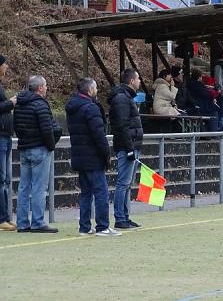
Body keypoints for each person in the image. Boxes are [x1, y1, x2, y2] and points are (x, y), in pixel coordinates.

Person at [65, 78, 121, 237]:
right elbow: (99, 135)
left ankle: (84, 226)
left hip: (79, 156)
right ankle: (102, 226)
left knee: (86, 193)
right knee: (101, 192)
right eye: (95, 88)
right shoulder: (91, 108)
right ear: (90, 90)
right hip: (93, 156)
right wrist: (106, 154)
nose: (97, 91)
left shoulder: (73, 108)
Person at [14, 75, 61, 233]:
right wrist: (51, 146)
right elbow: (47, 129)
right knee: (39, 187)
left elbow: (16, 126)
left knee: (24, 187)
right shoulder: (40, 104)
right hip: (39, 148)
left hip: (24, 148)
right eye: (46, 85)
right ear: (40, 88)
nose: (47, 88)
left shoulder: (20, 104)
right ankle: (38, 222)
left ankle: (21, 223)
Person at [108, 68, 143, 229]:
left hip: (131, 144)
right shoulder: (122, 98)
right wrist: (129, 148)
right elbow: (122, 126)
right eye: (138, 79)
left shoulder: (126, 97)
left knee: (127, 183)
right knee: (123, 183)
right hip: (127, 146)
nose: (140, 82)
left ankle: (125, 216)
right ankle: (120, 217)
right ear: (131, 81)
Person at [0, 54, 16, 231]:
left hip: (5, 136)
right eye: (4, 64)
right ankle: (1, 218)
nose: (6, 67)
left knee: (5, 179)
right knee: (1, 179)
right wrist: (9, 103)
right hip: (1, 137)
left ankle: (5, 216)